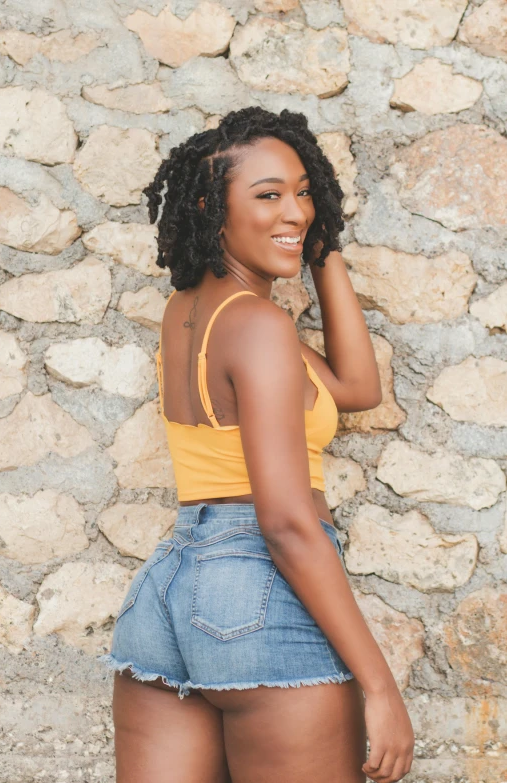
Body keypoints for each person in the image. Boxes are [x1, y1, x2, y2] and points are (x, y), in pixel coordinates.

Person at [97, 107, 415, 783]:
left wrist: (318, 246)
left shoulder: (190, 311)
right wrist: (380, 685)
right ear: (212, 205)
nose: (293, 210)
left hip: (166, 593)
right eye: (268, 195)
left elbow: (355, 387)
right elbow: (285, 522)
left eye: (304, 192)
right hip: (256, 592)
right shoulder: (261, 326)